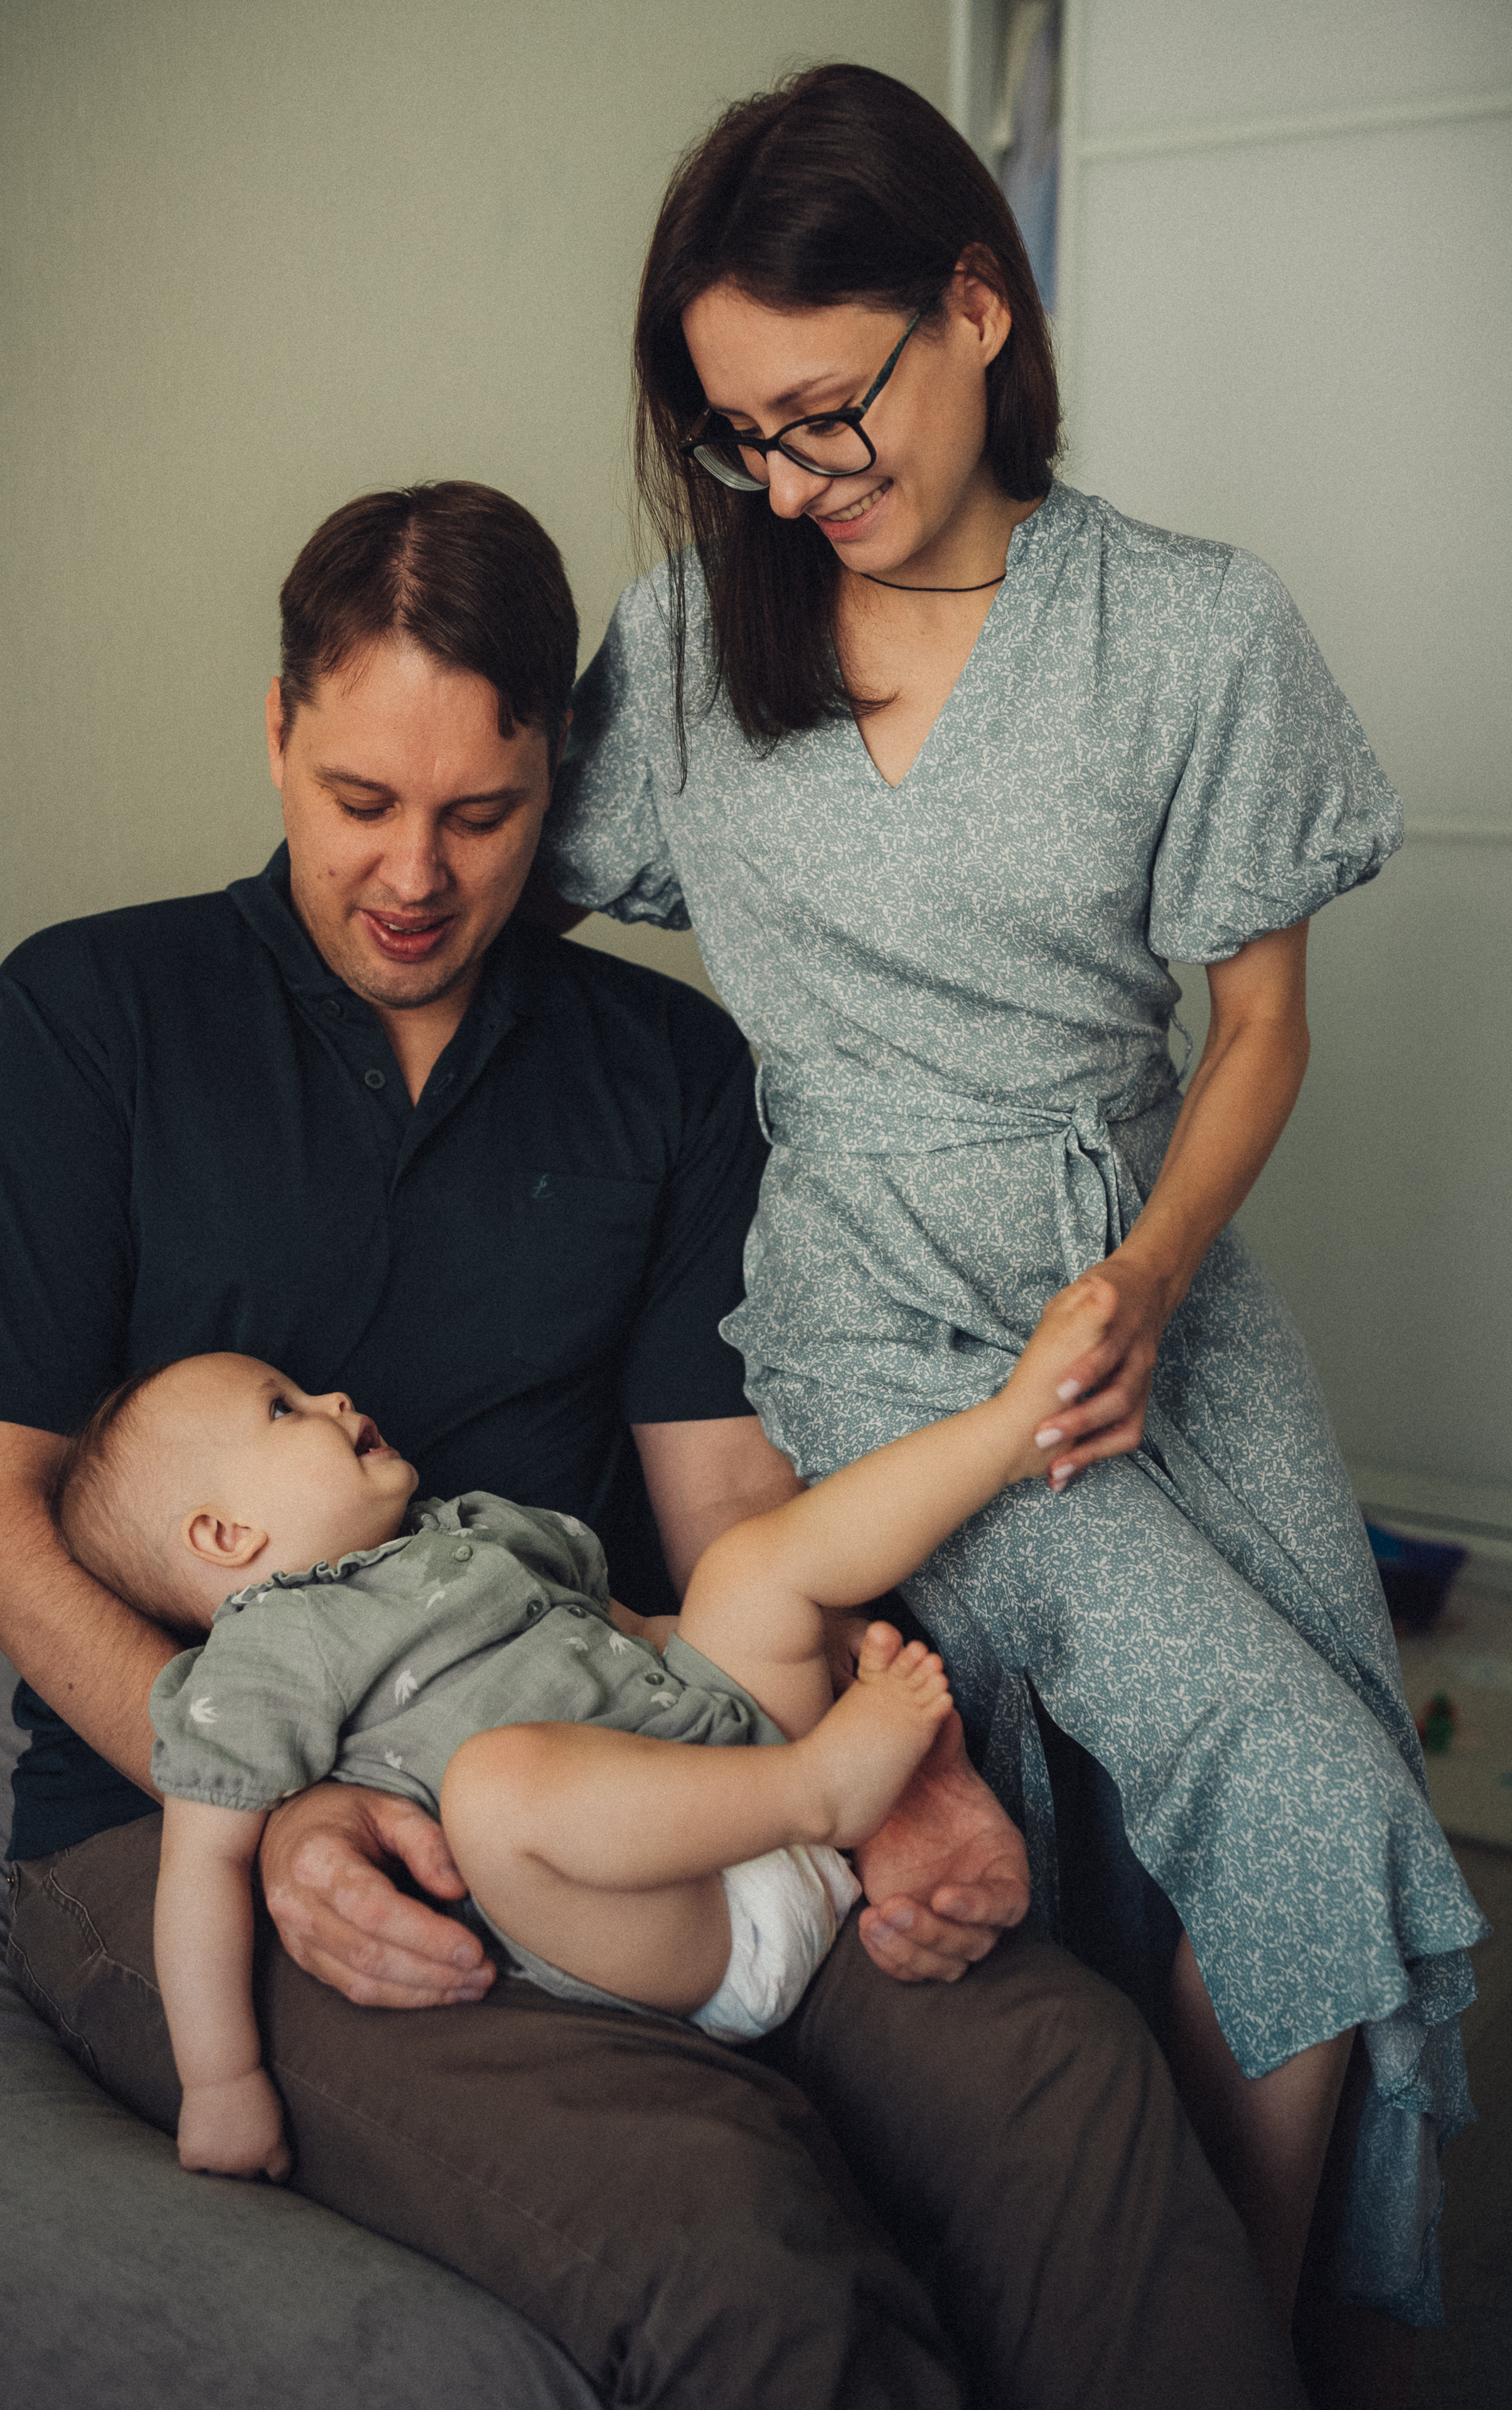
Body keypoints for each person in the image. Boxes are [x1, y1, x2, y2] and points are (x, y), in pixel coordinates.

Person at [0, 479, 1307, 2409]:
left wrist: (885, 1776)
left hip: (638, 1762)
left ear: (559, 775)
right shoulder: (89, 1021)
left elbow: (731, 1511)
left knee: (1066, 2078)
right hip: (186, 1834)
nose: (415, 874)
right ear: (276, 737)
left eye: (481, 817)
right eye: (357, 804)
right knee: (720, 2228)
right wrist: (272, 1810)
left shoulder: (662, 1073)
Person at [537, 61, 1487, 2406]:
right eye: (741, 432)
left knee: (1292, 1752)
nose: (789, 479)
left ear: (979, 302)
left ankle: (1199, 2319)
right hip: (877, 1323)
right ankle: (1202, 2353)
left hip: (1129, 1284)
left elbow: (1259, 1025)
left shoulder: (1185, 629)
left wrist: (1155, 1276)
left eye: (828, 412)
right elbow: (509, 897)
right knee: (1300, 1783)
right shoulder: (682, 656)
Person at [58, 1295, 1108, 2179]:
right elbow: (201, 1867)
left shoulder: (466, 1529)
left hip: (719, 1774)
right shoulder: (258, 1658)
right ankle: (821, 1790)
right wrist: (222, 2081)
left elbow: (633, 1635)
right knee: (495, 1788)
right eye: (283, 1409)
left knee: (747, 1568)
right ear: (224, 1537)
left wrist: (761, 1638)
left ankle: (1011, 1430)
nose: (332, 1397)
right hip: (666, 1924)